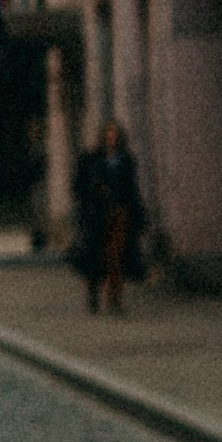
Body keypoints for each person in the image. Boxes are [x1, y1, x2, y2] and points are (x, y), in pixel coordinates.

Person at [72, 117, 145, 312]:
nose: (111, 138)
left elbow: (132, 187)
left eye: (114, 134)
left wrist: (136, 210)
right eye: (108, 134)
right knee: (96, 254)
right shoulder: (92, 159)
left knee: (116, 255)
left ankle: (114, 297)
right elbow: (80, 186)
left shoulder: (125, 160)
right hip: (97, 214)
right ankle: (93, 291)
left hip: (120, 211)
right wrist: (94, 193)